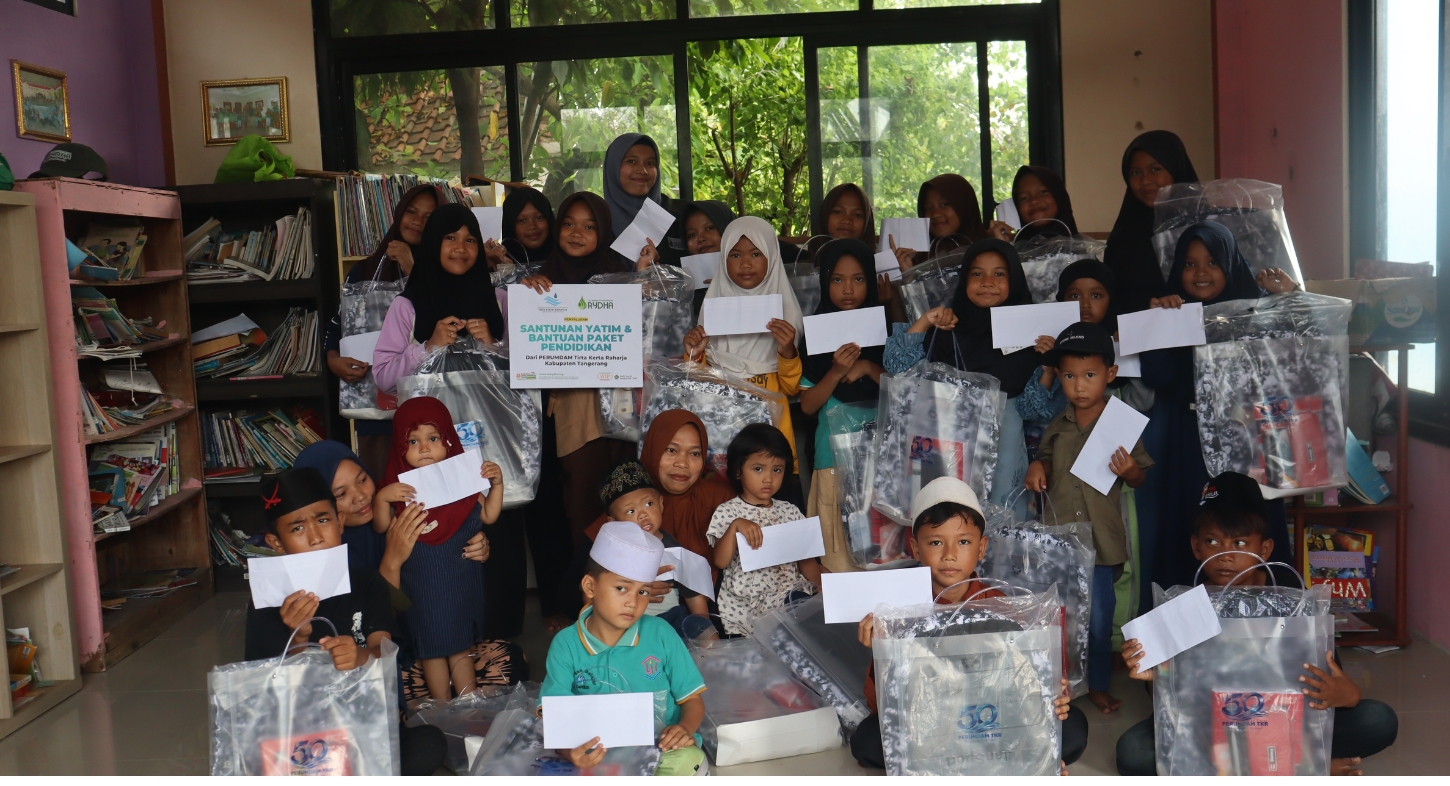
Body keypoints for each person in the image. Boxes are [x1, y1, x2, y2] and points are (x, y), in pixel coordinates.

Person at [1115, 472, 1399, 777]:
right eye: (1212, 542)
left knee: (1377, 720)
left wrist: (1348, 694)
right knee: (1133, 752)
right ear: (1196, 547)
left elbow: (1328, 673)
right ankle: (1301, 765)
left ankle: (1256, 763)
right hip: (1214, 720)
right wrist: (1155, 674)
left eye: (1239, 542)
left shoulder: (1289, 593)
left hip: (1285, 717)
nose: (1225, 555)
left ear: (1264, 549)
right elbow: (1173, 701)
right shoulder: (1185, 602)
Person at [848, 477, 1086, 772]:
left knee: (1073, 728)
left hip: (990, 717)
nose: (949, 554)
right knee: (867, 741)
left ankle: (981, 759)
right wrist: (881, 652)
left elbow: (1023, 683)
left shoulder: (998, 604)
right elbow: (883, 705)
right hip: (930, 723)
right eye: (936, 542)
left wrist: (1052, 695)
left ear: (981, 547)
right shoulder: (900, 613)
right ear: (916, 548)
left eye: (963, 542)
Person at [241, 467, 447, 776]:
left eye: (323, 520)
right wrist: (299, 639)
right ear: (276, 542)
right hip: (302, 736)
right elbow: (262, 691)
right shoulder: (268, 600)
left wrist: (361, 656)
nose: (315, 538)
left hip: (362, 724)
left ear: (339, 521)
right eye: (297, 528)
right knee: (262, 760)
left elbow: (384, 653)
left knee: (428, 745)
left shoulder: (367, 583)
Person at [292, 439, 528, 697]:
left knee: (512, 659)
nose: (360, 496)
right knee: (391, 687)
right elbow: (375, 626)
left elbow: (441, 561)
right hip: (372, 655)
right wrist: (392, 561)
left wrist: (472, 546)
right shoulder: (319, 552)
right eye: (340, 494)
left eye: (362, 480)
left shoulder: (396, 514)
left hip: (431, 632)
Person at [1142, 222, 1299, 589]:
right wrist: (1159, 323)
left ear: (1230, 264)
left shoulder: (1258, 312)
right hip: (1192, 438)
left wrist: (1292, 297)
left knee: (1252, 520)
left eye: (1212, 262)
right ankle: (1186, 617)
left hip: (1251, 438)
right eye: (1189, 264)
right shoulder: (1175, 311)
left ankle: (1265, 613)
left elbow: (1302, 354)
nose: (1201, 272)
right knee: (1195, 520)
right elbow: (1159, 376)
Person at [1024, 322, 1153, 715]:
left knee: (1097, 621)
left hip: (1100, 544)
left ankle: (1097, 684)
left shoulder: (1121, 424)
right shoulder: (1058, 425)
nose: (1079, 386)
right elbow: (1046, 457)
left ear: (1110, 374)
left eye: (1090, 376)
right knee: (1057, 618)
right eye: (1069, 376)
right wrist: (1037, 466)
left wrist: (1130, 469)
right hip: (1059, 542)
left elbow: (1140, 477)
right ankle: (1057, 684)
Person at [519, 192, 652, 550]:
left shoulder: (621, 278)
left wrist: (642, 281)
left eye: (589, 227)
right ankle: (591, 580)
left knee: (629, 499)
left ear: (603, 232)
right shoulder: (542, 282)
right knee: (582, 502)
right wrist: (527, 297)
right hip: (574, 409)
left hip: (624, 406)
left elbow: (649, 335)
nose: (576, 233)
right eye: (568, 224)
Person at [883, 238, 1045, 511]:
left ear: (1015, 279)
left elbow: (1038, 408)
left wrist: (1050, 362)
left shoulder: (1033, 336)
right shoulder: (949, 327)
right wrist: (926, 320)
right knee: (951, 515)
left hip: (1005, 453)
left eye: (999, 274)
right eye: (977, 273)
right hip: (948, 446)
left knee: (1002, 518)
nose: (987, 282)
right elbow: (897, 366)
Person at [540, 521, 709, 776]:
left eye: (643, 591)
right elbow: (554, 714)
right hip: (598, 754)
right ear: (590, 587)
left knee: (689, 760)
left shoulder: (661, 633)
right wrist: (568, 751)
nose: (633, 602)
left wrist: (684, 729)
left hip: (662, 751)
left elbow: (692, 700)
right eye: (621, 588)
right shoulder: (566, 644)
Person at [372, 396, 505, 701]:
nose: (424, 448)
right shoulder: (398, 489)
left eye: (433, 438)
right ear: (399, 446)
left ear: (448, 440)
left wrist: (497, 485)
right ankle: (443, 709)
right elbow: (381, 527)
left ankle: (469, 704)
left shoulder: (462, 481)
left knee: (460, 646)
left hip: (459, 583)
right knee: (431, 649)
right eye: (413, 441)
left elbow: (488, 515)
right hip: (421, 587)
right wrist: (382, 498)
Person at [684, 216, 807, 502]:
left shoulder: (787, 319)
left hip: (771, 451)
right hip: (722, 444)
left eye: (756, 254)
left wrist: (787, 351)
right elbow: (698, 387)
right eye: (735, 255)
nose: (746, 263)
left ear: (772, 258)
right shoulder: (710, 311)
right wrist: (695, 353)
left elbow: (791, 390)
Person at [325, 184, 439, 477]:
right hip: (375, 409)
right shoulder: (363, 271)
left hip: (430, 406)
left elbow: (440, 318)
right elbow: (338, 326)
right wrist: (333, 360)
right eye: (411, 212)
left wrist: (413, 268)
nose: (417, 221)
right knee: (382, 486)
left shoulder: (446, 271)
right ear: (399, 214)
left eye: (429, 217)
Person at [797, 238, 886, 573]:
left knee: (882, 551)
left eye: (858, 279)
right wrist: (835, 372)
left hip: (881, 461)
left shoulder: (886, 330)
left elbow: (905, 392)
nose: (848, 289)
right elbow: (807, 406)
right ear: (825, 282)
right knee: (838, 555)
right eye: (837, 279)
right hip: (832, 460)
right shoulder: (815, 334)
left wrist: (869, 367)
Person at [372, 204, 505, 397]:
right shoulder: (406, 305)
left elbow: (527, 370)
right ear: (433, 242)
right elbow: (383, 378)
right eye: (450, 237)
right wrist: (429, 348)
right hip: (428, 416)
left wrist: (492, 346)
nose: (461, 248)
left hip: (490, 414)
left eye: (470, 240)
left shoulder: (500, 300)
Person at [706, 424, 825, 636]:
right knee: (800, 616)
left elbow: (806, 560)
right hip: (751, 601)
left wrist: (821, 587)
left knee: (814, 612)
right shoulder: (729, 512)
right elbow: (720, 561)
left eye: (777, 470)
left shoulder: (790, 511)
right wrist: (735, 527)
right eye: (758, 469)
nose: (768, 478)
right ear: (738, 471)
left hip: (792, 591)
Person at [599, 460, 715, 641]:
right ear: (612, 522)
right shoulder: (609, 553)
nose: (643, 514)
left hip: (671, 619)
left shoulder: (674, 549)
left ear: (661, 504)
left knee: (701, 629)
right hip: (630, 623)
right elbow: (596, 594)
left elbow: (694, 596)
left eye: (648, 504)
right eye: (630, 511)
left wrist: (704, 630)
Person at [1103, 130, 1201, 315]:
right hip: (1137, 330)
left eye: (1155, 169)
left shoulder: (1203, 225)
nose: (1145, 180)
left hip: (1197, 327)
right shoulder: (1123, 236)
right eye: (1135, 172)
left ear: (1176, 169)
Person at [888, 173, 987, 270]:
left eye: (944, 204)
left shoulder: (989, 251)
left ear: (964, 206)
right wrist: (909, 274)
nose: (935, 214)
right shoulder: (916, 259)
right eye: (928, 208)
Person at [602, 132, 667, 263]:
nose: (643, 171)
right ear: (613, 166)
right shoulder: (596, 221)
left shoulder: (677, 216)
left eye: (650, 163)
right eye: (631, 161)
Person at [485, 186, 555, 272]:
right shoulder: (497, 263)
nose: (532, 226)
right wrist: (505, 270)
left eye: (539, 217)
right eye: (522, 220)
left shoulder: (567, 259)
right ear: (510, 225)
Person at [1010, 165, 1079, 245]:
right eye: (1024, 198)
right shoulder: (1012, 249)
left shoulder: (1085, 248)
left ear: (1059, 196)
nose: (1034, 201)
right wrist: (1002, 246)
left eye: (1043, 192)